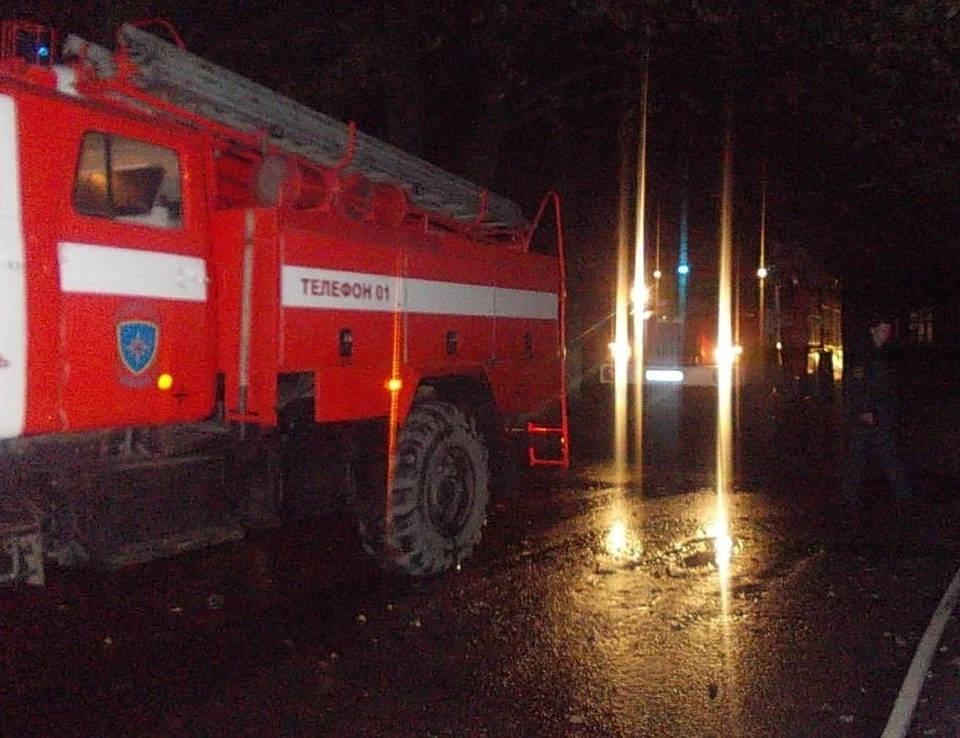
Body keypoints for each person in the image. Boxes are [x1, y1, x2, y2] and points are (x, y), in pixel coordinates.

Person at [842, 313, 911, 507]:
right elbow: (857, 384)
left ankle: (903, 495)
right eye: (882, 329)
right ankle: (850, 496)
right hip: (866, 417)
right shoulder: (863, 353)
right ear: (873, 330)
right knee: (858, 457)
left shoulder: (886, 353)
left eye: (887, 330)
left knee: (888, 456)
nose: (885, 333)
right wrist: (863, 410)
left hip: (883, 414)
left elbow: (891, 385)